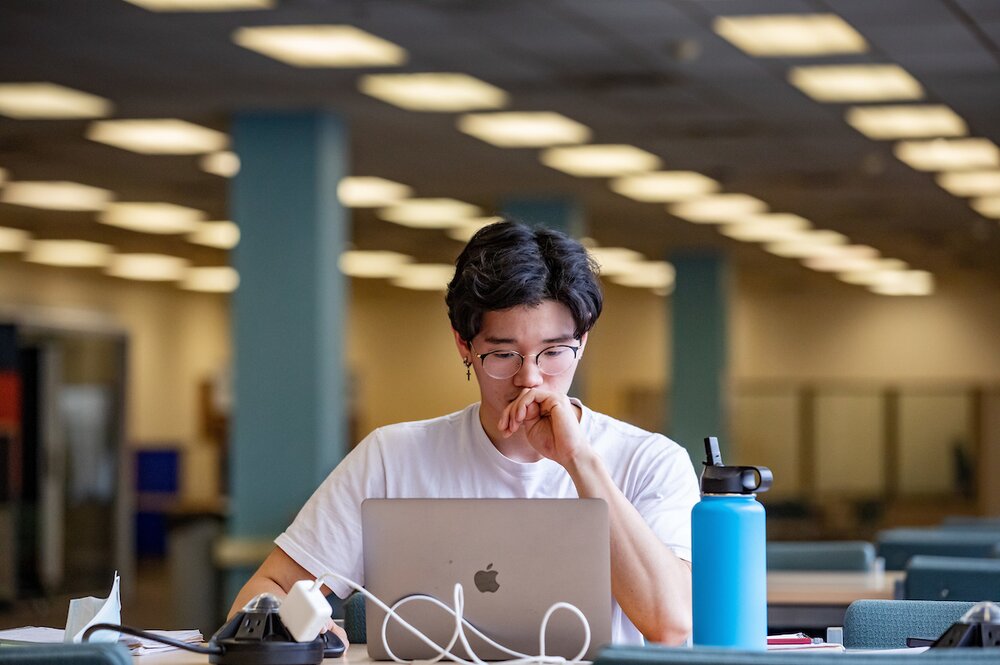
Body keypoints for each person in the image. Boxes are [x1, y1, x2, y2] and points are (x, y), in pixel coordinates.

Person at [229, 219, 699, 647]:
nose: (530, 379)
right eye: (503, 354)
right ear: (464, 345)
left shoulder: (651, 461)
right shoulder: (394, 457)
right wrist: (302, 629)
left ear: (584, 342)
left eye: (554, 352)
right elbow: (264, 594)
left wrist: (579, 463)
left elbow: (672, 624)